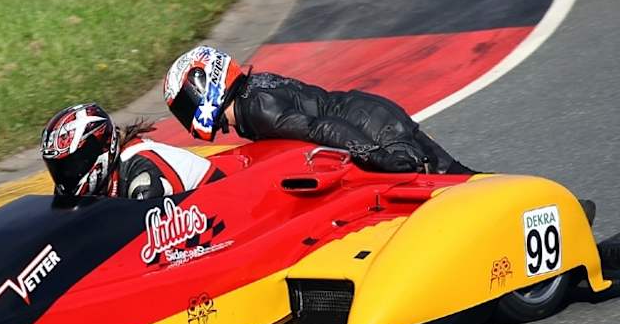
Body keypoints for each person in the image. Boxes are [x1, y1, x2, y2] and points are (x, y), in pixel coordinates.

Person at [163, 45, 475, 174]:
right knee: (460, 178)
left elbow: (318, 128)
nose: (185, 114)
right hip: (368, 114)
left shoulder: (256, 108)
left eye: (185, 104)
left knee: (445, 186)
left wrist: (374, 154)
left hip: (371, 128)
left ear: (204, 85)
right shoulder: (251, 93)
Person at [40, 103, 223, 199]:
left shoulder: (141, 172)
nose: (65, 176)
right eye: (58, 168)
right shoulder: (102, 180)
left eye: (72, 165)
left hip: (221, 203)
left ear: (103, 149)